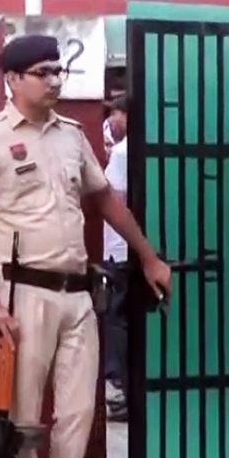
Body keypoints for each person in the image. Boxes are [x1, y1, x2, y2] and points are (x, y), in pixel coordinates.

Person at [0, 35, 171, 458]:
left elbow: (104, 200)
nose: (54, 80)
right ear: (12, 80)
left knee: (77, 416)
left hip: (77, 293)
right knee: (24, 421)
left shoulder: (72, 136)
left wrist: (148, 257)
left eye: (58, 70)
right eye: (42, 72)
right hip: (21, 294)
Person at [101, 94, 129, 422]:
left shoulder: (122, 154)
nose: (112, 121)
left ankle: (123, 387)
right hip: (127, 250)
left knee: (118, 320)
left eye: (117, 114)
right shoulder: (135, 150)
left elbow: (115, 204)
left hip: (119, 250)